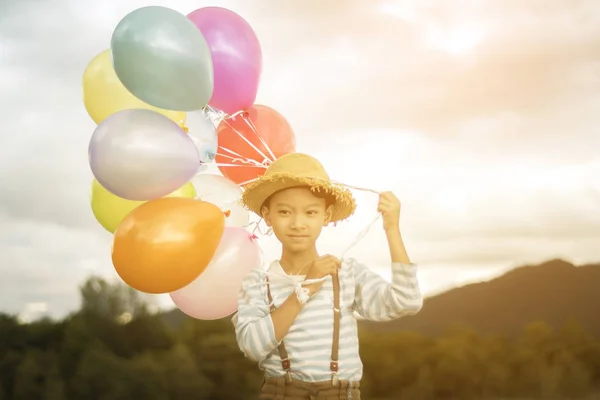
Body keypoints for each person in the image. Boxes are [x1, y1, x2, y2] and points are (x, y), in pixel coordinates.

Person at [233, 152, 423, 399]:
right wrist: (305, 290)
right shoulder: (258, 282)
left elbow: (406, 301)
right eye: (285, 212)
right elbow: (252, 347)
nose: (298, 224)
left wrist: (392, 229)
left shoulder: (346, 274)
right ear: (268, 216)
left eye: (310, 213)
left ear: (327, 215)